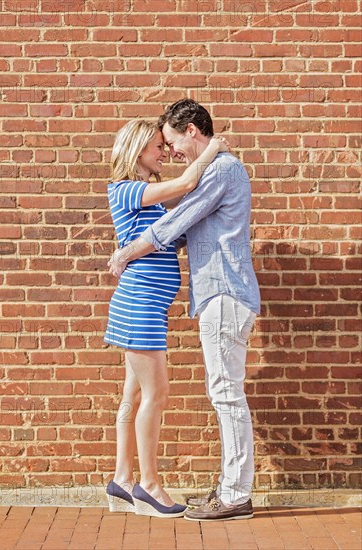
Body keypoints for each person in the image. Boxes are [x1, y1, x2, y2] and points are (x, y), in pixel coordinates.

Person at [108, 99, 261, 522]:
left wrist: (129, 251)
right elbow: (182, 213)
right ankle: (131, 482)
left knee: (225, 395)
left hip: (225, 294)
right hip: (191, 298)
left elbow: (180, 219)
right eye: (161, 146)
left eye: (171, 141)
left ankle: (233, 494)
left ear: (191, 131)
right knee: (149, 396)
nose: (170, 152)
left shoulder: (222, 169)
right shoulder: (191, 174)